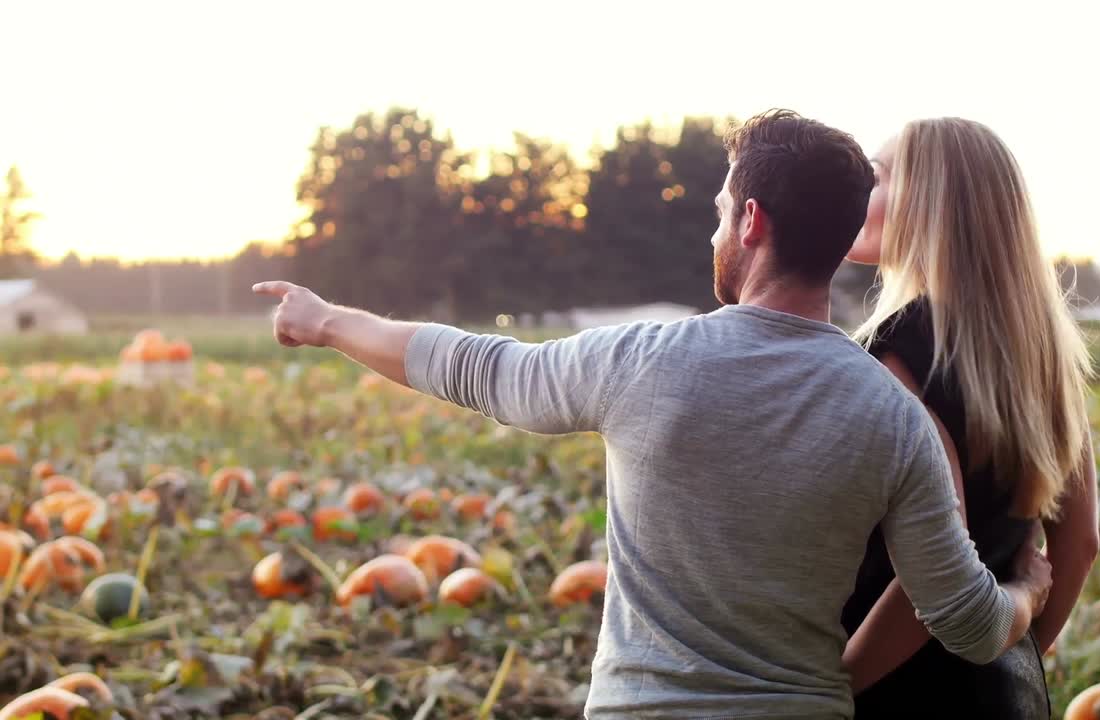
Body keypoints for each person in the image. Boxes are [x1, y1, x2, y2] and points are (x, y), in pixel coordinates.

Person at [254, 109, 1052, 719]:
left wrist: (326, 322)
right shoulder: (893, 415)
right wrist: (1027, 589)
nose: (715, 228)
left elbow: (470, 365)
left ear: (751, 222)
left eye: (719, 209)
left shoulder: (639, 360)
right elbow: (968, 622)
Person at [840, 117, 1100, 718]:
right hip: (994, 687)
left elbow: (935, 570)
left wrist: (838, 687)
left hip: (886, 686)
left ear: (925, 202)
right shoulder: (1046, 350)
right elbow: (1079, 543)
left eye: (874, 177)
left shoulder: (895, 349)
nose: (857, 192)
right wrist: (1016, 647)